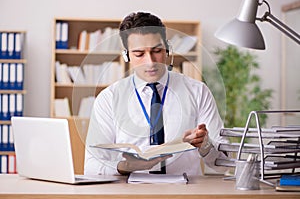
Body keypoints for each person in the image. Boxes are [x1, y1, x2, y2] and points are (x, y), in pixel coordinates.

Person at [84, 12, 228, 176]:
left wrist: (205, 145)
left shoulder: (198, 92)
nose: (150, 62)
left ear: (167, 49)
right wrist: (125, 166)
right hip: (130, 193)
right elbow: (91, 166)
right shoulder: (109, 98)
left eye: (157, 51)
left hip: (184, 193)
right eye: (139, 54)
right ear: (126, 55)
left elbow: (222, 165)